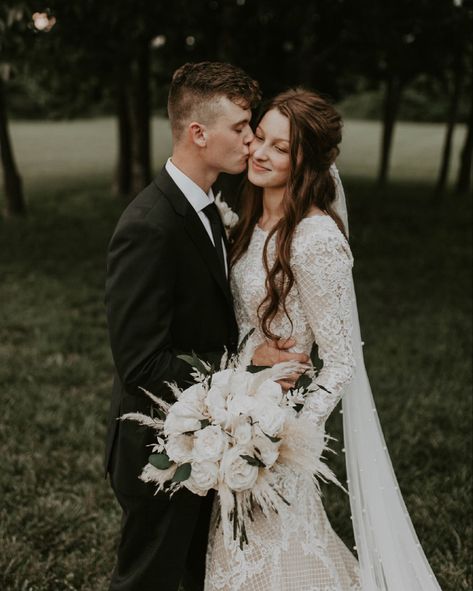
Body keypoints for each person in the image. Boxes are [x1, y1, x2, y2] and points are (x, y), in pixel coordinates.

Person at [205, 89, 443, 590]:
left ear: (306, 161)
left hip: (274, 433)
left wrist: (285, 439)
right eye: (260, 138)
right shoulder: (251, 222)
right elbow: (245, 321)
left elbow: (339, 361)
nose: (261, 153)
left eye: (281, 148)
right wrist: (245, 373)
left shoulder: (316, 241)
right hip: (237, 415)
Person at [104, 63, 308, 591]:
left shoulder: (209, 209)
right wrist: (245, 378)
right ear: (200, 133)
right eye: (241, 128)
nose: (251, 140)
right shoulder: (149, 227)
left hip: (207, 448)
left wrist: (247, 359)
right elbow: (142, 365)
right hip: (163, 454)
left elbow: (204, 327)